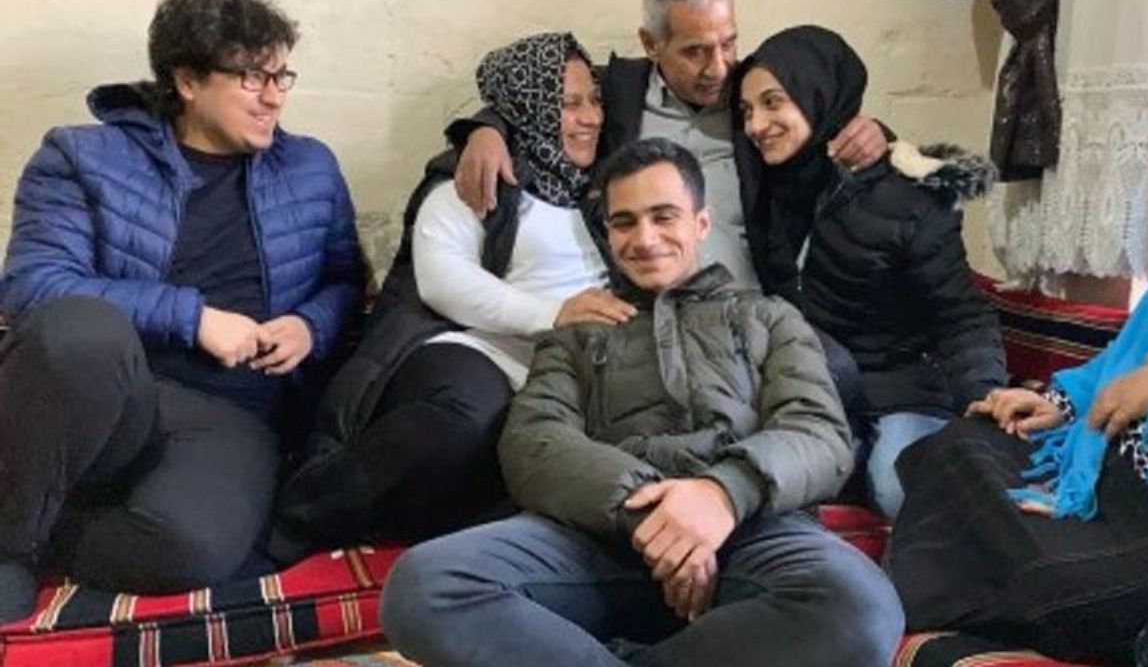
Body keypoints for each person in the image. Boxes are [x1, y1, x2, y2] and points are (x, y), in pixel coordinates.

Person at [378, 138, 905, 667]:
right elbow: (534, 443)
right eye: (625, 222)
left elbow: (818, 433)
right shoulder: (576, 335)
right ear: (608, 234)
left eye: (664, 216)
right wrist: (650, 515)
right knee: (424, 586)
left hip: (752, 530)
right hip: (597, 537)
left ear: (701, 223)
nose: (645, 239)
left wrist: (721, 494)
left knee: (862, 609)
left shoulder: (770, 317)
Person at [886, 57, 1148, 666]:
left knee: (1046, 579)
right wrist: (1063, 403)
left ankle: (916, 610)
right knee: (959, 446)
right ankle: (945, 609)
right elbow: (1128, 361)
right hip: (1120, 474)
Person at [0, 0, 364, 623]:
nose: (274, 96)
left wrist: (311, 325)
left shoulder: (311, 167)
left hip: (230, 415)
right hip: (108, 389)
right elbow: (32, 286)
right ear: (188, 80)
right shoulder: (82, 156)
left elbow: (345, 279)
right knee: (79, 333)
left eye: (281, 75)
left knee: (191, 548)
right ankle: (11, 547)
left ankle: (41, 508)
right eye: (252, 77)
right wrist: (191, 318)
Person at [272, 32, 632, 550]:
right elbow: (444, 281)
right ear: (528, 105)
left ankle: (432, 537)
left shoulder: (611, 183)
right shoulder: (478, 176)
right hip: (478, 348)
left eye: (594, 100)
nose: (591, 117)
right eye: (570, 104)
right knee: (467, 422)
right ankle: (305, 513)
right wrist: (554, 313)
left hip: (570, 368)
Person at [449, 0, 890, 291]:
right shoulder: (617, 93)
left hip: (749, 309)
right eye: (695, 51)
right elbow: (540, 103)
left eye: (728, 43)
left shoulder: (754, 96)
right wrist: (487, 130)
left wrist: (877, 135)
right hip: (643, 315)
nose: (719, 68)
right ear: (651, 43)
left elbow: (819, 125)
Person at [730, 25, 1006, 519]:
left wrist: (986, 398)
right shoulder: (771, 191)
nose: (757, 124)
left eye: (773, 103)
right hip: (820, 390)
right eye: (747, 111)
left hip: (904, 389)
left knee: (900, 491)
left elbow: (962, 314)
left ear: (819, 95)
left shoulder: (903, 197)